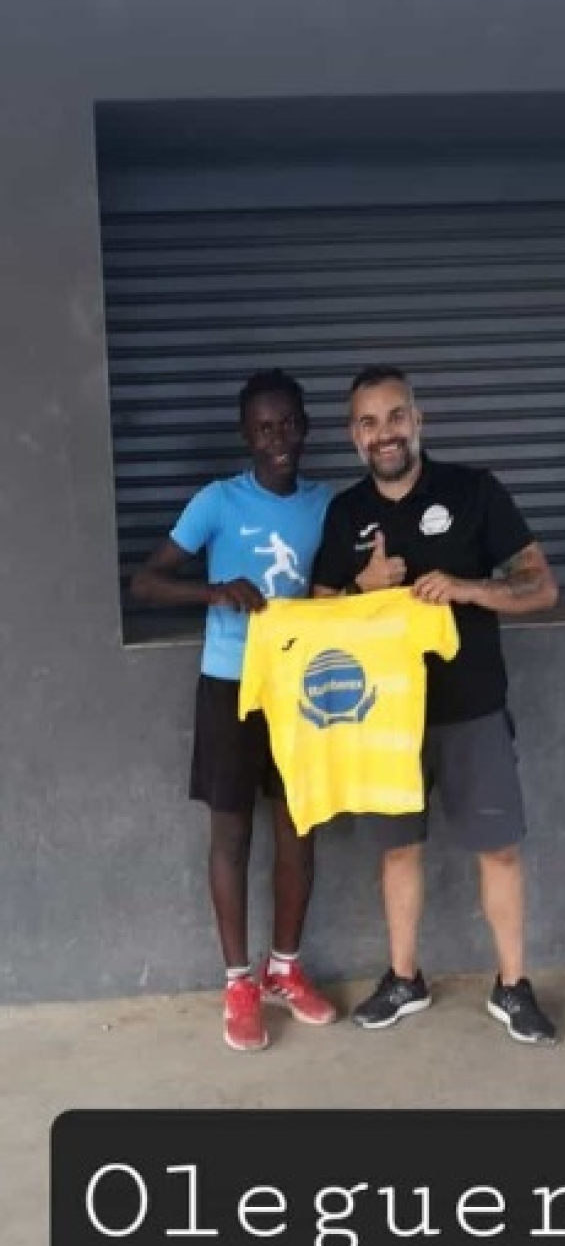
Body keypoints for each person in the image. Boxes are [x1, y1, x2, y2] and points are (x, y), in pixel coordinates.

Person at [313, 364, 560, 1045]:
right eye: (369, 422)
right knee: (397, 853)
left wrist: (467, 587)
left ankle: (513, 986)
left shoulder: (474, 491)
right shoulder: (345, 513)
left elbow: (541, 586)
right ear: (354, 436)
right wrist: (363, 588)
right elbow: (317, 616)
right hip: (383, 719)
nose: (385, 433)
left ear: (418, 421)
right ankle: (404, 979)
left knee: (499, 850)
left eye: (396, 416)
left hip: (472, 706)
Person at [131, 368, 337, 1052]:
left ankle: (285, 969)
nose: (278, 439)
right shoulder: (217, 501)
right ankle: (239, 984)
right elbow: (145, 582)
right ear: (246, 436)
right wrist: (215, 591)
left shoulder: (328, 505)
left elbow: (348, 589)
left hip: (300, 688)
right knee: (231, 834)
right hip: (230, 684)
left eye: (288, 424)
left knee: (298, 830)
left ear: (306, 427)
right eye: (264, 428)